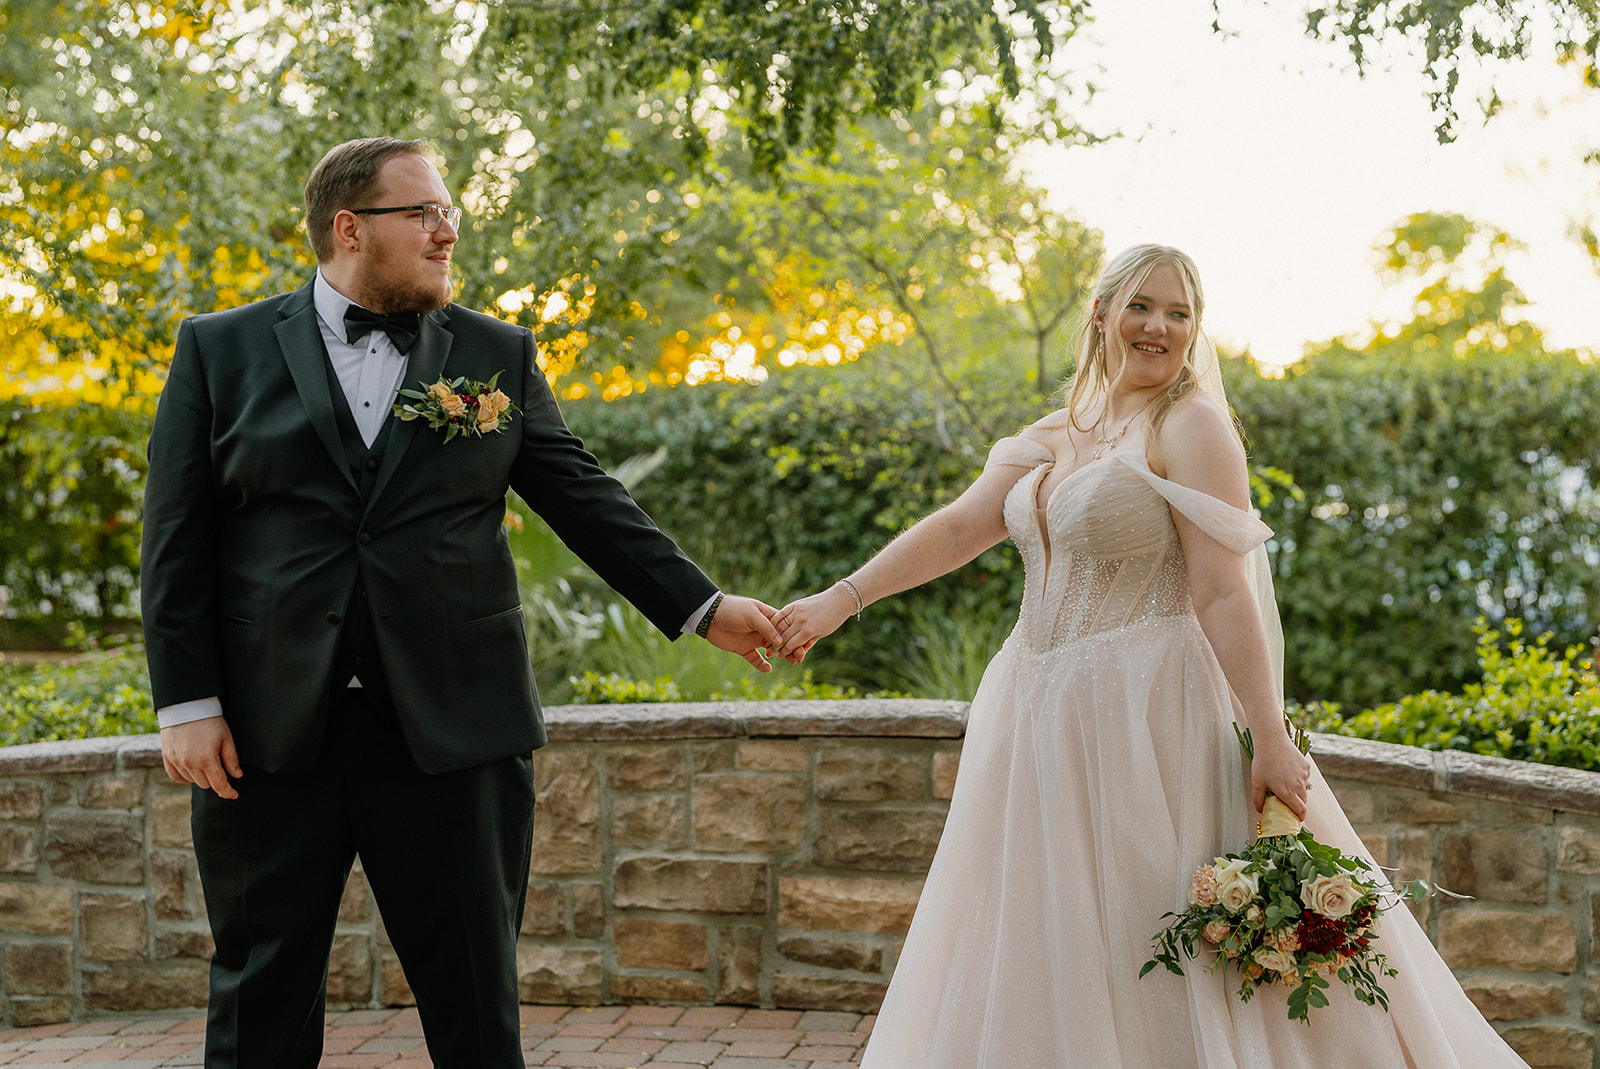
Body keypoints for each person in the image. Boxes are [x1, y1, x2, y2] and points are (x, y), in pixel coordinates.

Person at [773, 245, 1528, 1066]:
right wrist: (838, 599)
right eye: (1141, 306)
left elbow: (1222, 591)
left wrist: (1270, 736)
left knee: (1148, 925)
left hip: (1149, 717)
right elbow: (958, 528)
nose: (1158, 326)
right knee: (1044, 930)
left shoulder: (1190, 425)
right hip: (1036, 711)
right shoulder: (1057, 434)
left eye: (1178, 312)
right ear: (1101, 314)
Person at [140, 136, 785, 1069]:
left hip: (456, 731)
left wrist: (703, 605)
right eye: (425, 213)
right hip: (267, 734)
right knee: (258, 995)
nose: (448, 231)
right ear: (350, 227)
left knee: (476, 1001)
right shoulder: (218, 348)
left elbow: (584, 498)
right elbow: (175, 537)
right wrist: (187, 702)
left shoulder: (495, 353)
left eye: (451, 213)